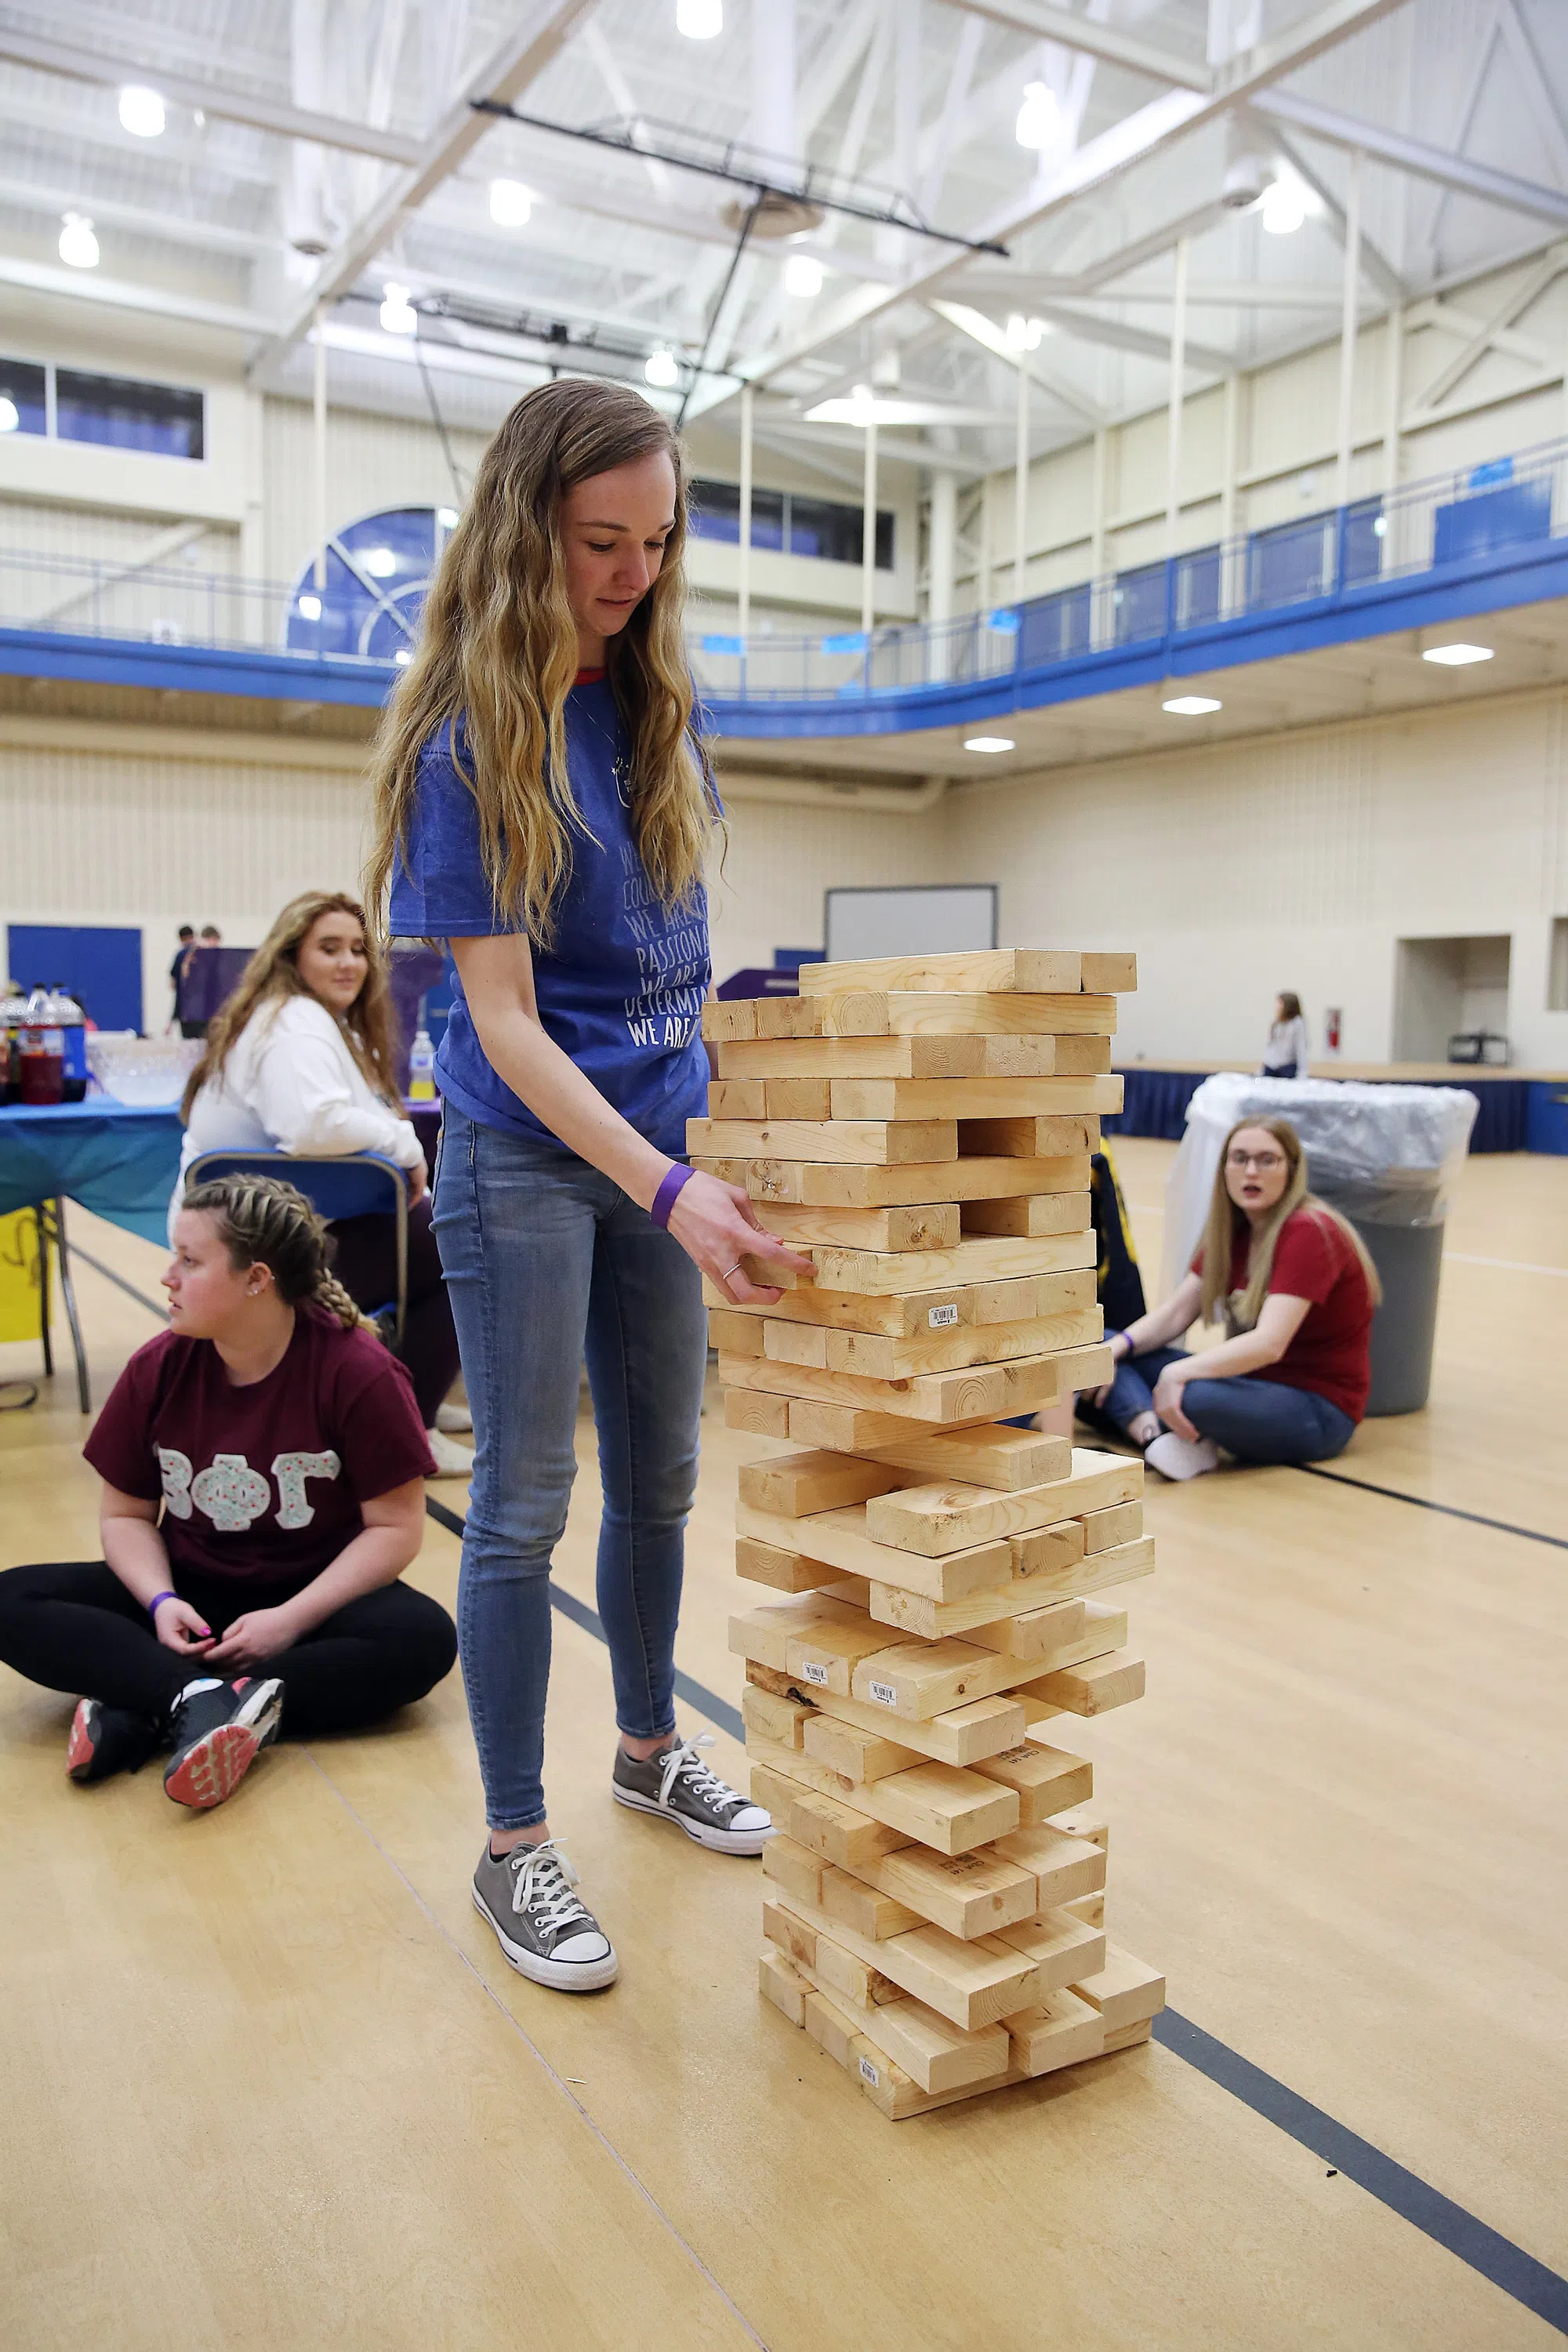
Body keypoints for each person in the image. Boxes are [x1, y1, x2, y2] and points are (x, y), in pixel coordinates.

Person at [365, 377, 813, 1995]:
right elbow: (498, 1019)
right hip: (524, 1160)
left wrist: (722, 1147)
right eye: (597, 540)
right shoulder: (467, 738)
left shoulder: (656, 710)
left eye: (656, 541)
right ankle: (511, 1848)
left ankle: (645, 1748)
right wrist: (661, 1182)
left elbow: (676, 985)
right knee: (527, 1508)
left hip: (659, 1163)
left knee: (667, 1485)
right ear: (521, 527)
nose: (629, 572)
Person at [0, 1176, 457, 1809]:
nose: (168, 1276)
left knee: (424, 1639)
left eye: (189, 1261)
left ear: (256, 1279)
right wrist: (159, 1602)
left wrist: (290, 1620)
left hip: (309, 1602)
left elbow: (396, 1529)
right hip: (188, 1592)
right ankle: (204, 1701)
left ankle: (148, 1700)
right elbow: (127, 1515)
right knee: (11, 1599)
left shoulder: (359, 1372)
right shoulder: (159, 1366)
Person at [175, 891, 471, 1477]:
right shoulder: (295, 1023)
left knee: (431, 1230)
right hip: (253, 1249)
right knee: (458, 1249)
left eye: (359, 950)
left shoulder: (297, 1019)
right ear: (293, 957)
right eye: (329, 949)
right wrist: (405, 1144)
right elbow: (308, 1124)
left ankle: (408, 1393)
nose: (348, 963)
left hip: (249, 1232)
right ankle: (411, 1421)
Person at [1095, 1117, 1379, 1481]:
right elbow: (1176, 1314)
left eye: (1267, 1160)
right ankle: (1152, 1432)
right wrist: (1115, 1349)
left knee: (1190, 1395)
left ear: (1291, 1170)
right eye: (1239, 1158)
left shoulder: (1309, 1231)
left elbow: (1269, 1344)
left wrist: (1175, 1373)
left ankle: (1172, 1430)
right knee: (1105, 1352)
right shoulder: (1233, 1229)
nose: (1251, 1171)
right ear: (1224, 1168)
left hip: (1317, 1410)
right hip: (1251, 1385)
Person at [1261, 991, 1309, 1078]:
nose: (1277, 1007)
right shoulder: (1277, 1023)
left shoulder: (1297, 1023)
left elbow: (1301, 1048)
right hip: (1271, 1066)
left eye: (1280, 1003)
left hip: (1287, 1067)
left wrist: (1303, 1072)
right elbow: (1270, 1046)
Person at [169, 924, 195, 1029]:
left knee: (188, 1041)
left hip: (185, 1008)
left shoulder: (181, 955)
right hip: (203, 1011)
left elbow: (174, 984)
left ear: (181, 939)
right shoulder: (203, 953)